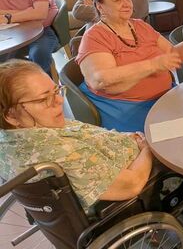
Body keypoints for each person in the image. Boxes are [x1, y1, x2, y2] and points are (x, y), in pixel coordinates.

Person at [0, 59, 153, 212]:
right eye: (43, 99)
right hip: (140, 181)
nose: (59, 100)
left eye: (55, 91)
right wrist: (147, 149)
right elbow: (133, 184)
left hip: (125, 148)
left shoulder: (16, 136)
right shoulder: (61, 151)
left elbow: (84, 133)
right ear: (11, 116)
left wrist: (125, 137)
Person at [76, 0, 183, 132]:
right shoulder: (95, 36)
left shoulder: (140, 26)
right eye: (117, 1)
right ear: (100, 6)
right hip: (128, 109)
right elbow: (101, 79)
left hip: (164, 98)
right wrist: (153, 65)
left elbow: (172, 55)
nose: (126, 4)